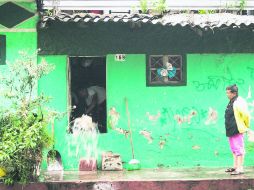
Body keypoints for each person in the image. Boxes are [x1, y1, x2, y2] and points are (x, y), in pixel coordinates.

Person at [224, 84, 250, 175]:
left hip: (237, 129)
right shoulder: (231, 101)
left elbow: (246, 115)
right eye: (226, 92)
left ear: (234, 93)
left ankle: (240, 168)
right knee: (234, 149)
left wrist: (245, 127)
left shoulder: (239, 101)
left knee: (239, 149)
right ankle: (235, 167)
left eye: (228, 93)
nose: (227, 94)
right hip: (230, 129)